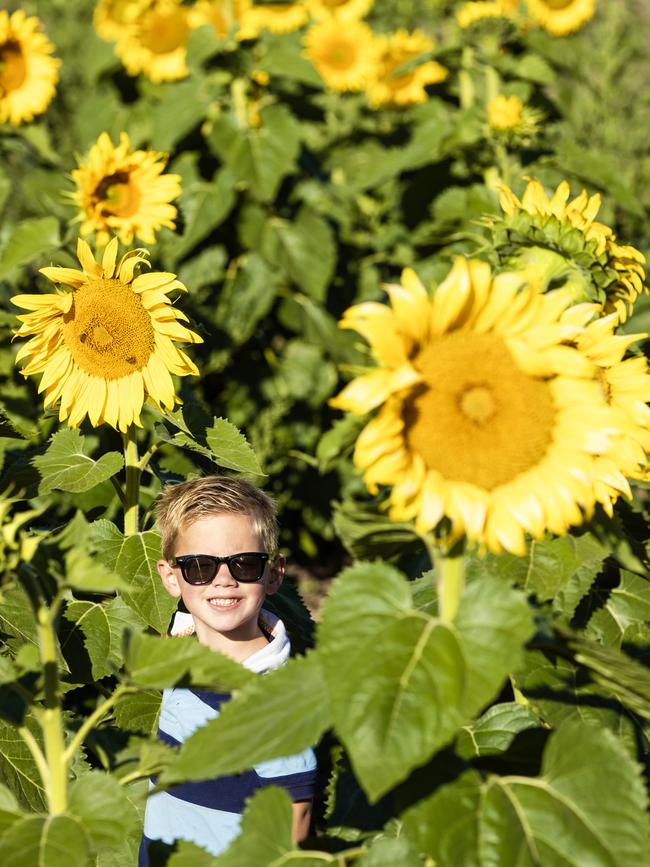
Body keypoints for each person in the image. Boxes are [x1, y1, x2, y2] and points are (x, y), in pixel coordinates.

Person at [138, 475, 317, 865]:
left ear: (273, 574)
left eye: (245, 564)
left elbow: (294, 814)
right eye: (200, 566)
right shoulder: (184, 646)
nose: (223, 580)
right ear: (171, 577)